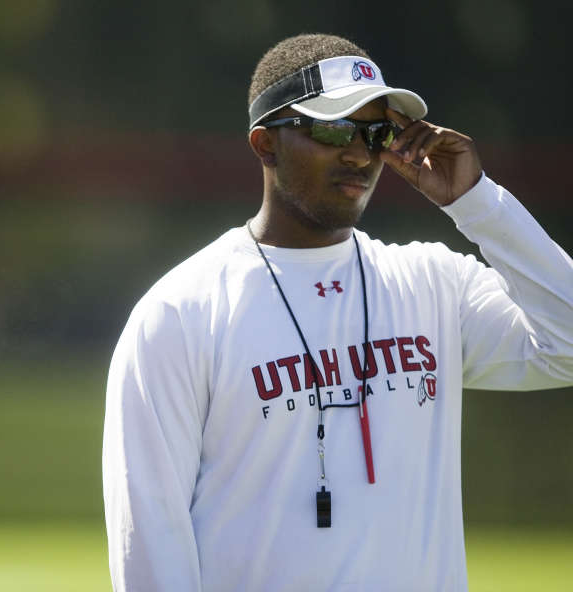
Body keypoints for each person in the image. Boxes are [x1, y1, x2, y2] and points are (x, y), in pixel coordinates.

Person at [102, 33, 573, 591]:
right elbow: (150, 537)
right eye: (332, 129)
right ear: (264, 143)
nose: (359, 154)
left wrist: (476, 202)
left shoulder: (433, 282)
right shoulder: (180, 312)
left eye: (377, 134)